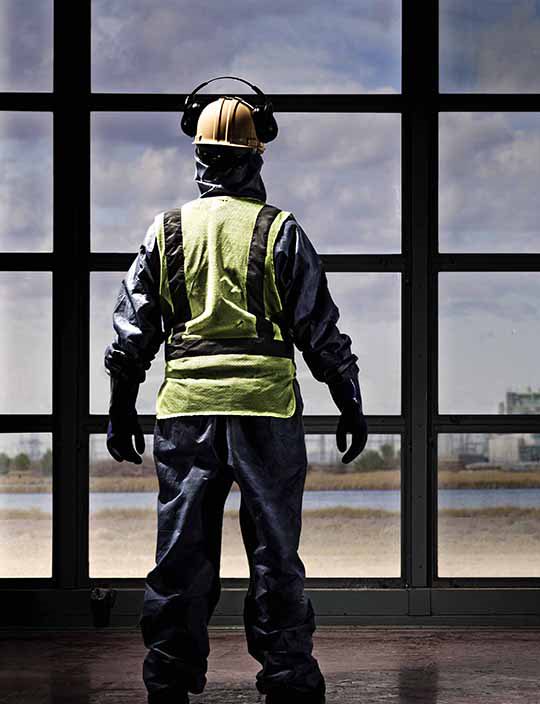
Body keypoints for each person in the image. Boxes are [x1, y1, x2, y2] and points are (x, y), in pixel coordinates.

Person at [103, 77, 367, 704]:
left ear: (199, 155)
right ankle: (288, 680)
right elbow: (317, 326)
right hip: (265, 413)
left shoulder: (165, 231)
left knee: (180, 557)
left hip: (186, 416)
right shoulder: (281, 232)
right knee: (275, 554)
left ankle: (168, 681)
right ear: (256, 156)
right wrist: (348, 395)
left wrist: (120, 406)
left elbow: (131, 329)